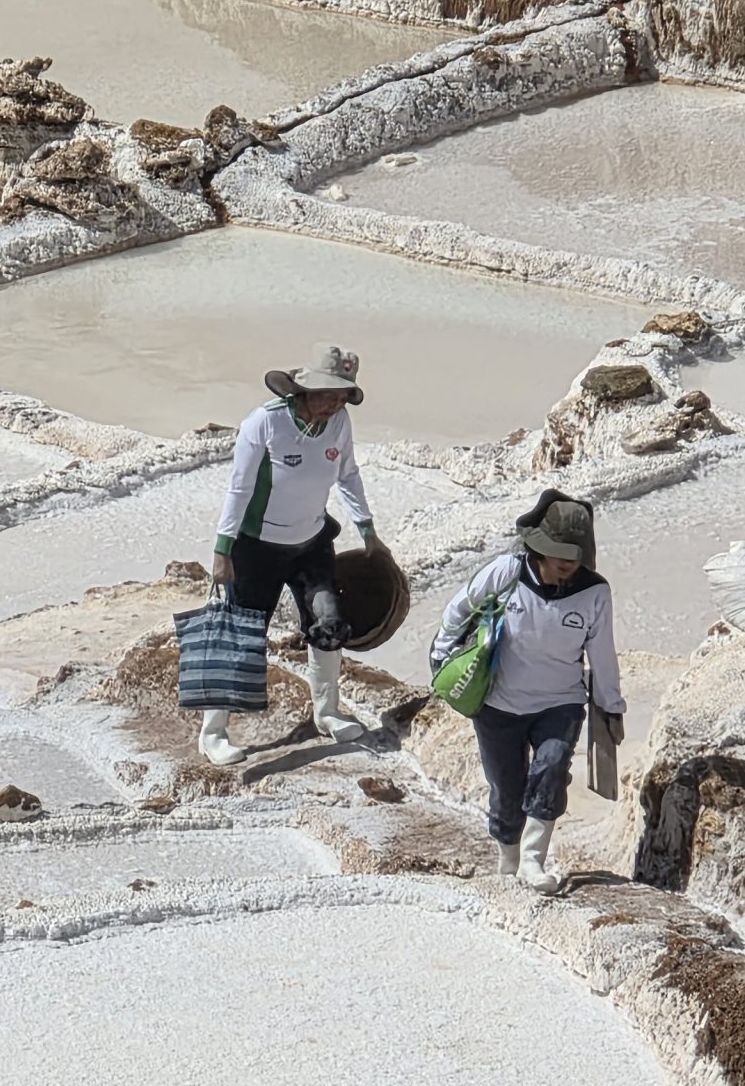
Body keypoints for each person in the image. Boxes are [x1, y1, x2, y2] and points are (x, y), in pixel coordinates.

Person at [200, 344, 388, 767]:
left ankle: (327, 712)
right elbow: (239, 488)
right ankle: (212, 733)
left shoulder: (338, 423)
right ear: (303, 388)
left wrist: (367, 528)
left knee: (329, 622)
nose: (334, 405)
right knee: (243, 637)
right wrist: (222, 550)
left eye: (342, 397)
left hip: (312, 543)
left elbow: (348, 474)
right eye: (327, 395)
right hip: (257, 548)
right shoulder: (263, 425)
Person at [429, 492, 625, 894]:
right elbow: (459, 609)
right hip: (499, 702)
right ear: (539, 547)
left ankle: (534, 862)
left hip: (561, 702)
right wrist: (442, 653)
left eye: (574, 555)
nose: (566, 563)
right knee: (506, 789)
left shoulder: (595, 593)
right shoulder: (507, 572)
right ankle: (509, 861)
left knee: (551, 769)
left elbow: (602, 655)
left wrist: (611, 707)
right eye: (558, 554)